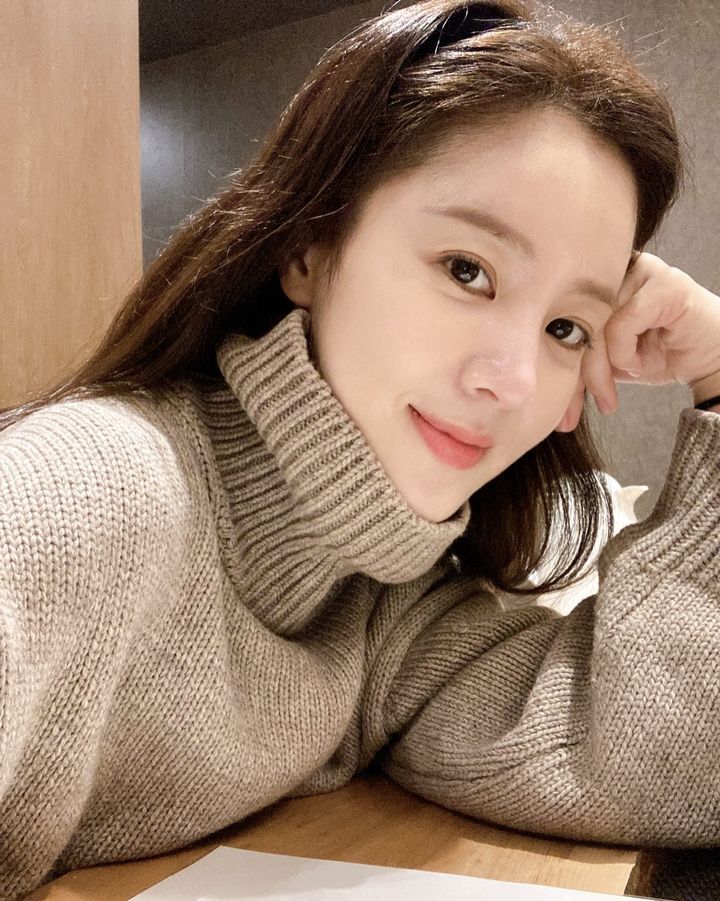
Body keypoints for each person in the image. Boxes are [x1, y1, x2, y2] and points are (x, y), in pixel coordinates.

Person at [1, 0, 719, 897]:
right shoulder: (80, 497)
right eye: (468, 270)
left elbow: (662, 760)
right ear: (308, 248)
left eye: (567, 327)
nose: (512, 380)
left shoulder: (385, 606)